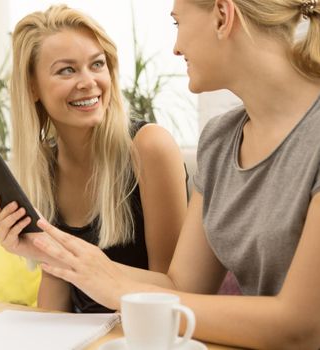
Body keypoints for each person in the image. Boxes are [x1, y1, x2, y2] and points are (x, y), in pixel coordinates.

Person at [20, 0, 320, 348]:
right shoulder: (221, 140)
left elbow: (302, 326)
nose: (176, 48)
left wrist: (116, 288)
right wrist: (62, 256)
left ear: (223, 16)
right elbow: (180, 288)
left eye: (177, 22)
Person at [0, 5, 188, 313]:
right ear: (33, 87)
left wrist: (83, 264)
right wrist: (49, 257)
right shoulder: (43, 167)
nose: (88, 81)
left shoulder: (149, 148)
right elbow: (55, 303)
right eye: (66, 70)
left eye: (97, 64)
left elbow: (178, 289)